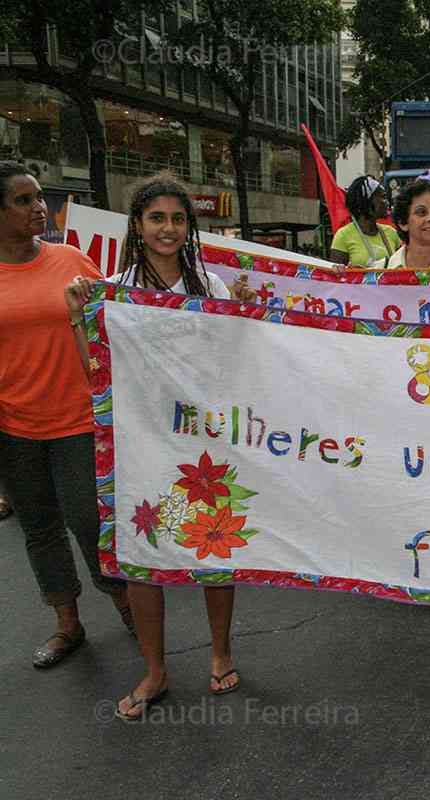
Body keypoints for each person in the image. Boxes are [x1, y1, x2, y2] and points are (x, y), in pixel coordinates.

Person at [64, 173, 255, 720]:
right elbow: (94, 372)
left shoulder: (212, 289)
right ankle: (155, 670)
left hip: (204, 448)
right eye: (157, 218)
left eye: (177, 219)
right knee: (143, 559)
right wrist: (79, 315)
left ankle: (221, 653)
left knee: (215, 549)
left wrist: (242, 313)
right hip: (141, 443)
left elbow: (237, 363)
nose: (168, 229)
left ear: (189, 227)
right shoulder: (116, 290)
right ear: (138, 225)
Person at [0, 161, 131, 669]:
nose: (38, 208)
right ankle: (67, 625)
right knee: (40, 528)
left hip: (79, 422)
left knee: (90, 521)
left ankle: (128, 608)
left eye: (39, 198)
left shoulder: (70, 259)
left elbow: (118, 316)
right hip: (14, 429)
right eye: (23, 200)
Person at [328, 176, 400, 268]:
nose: (387, 202)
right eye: (383, 197)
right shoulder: (343, 236)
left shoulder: (392, 233)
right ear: (367, 201)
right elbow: (335, 278)